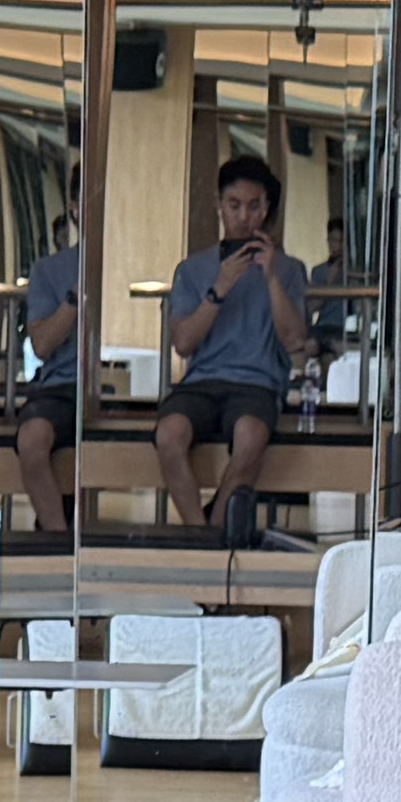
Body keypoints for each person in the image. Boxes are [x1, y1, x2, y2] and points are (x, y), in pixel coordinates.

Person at [149, 154, 308, 539]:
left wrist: (271, 279)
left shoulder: (289, 269)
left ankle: (215, 528)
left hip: (258, 383)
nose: (243, 217)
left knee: (251, 434)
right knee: (169, 434)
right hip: (201, 383)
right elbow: (183, 343)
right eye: (234, 205)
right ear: (219, 206)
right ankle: (199, 532)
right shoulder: (193, 270)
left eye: (254, 207)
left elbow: (295, 341)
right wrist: (219, 288)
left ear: (266, 210)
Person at [1, 234, 84, 541]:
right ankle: (57, 541)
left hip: (112, 389)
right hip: (61, 386)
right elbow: (42, 346)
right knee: (32, 439)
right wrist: (74, 298)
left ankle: (208, 534)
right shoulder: (49, 270)